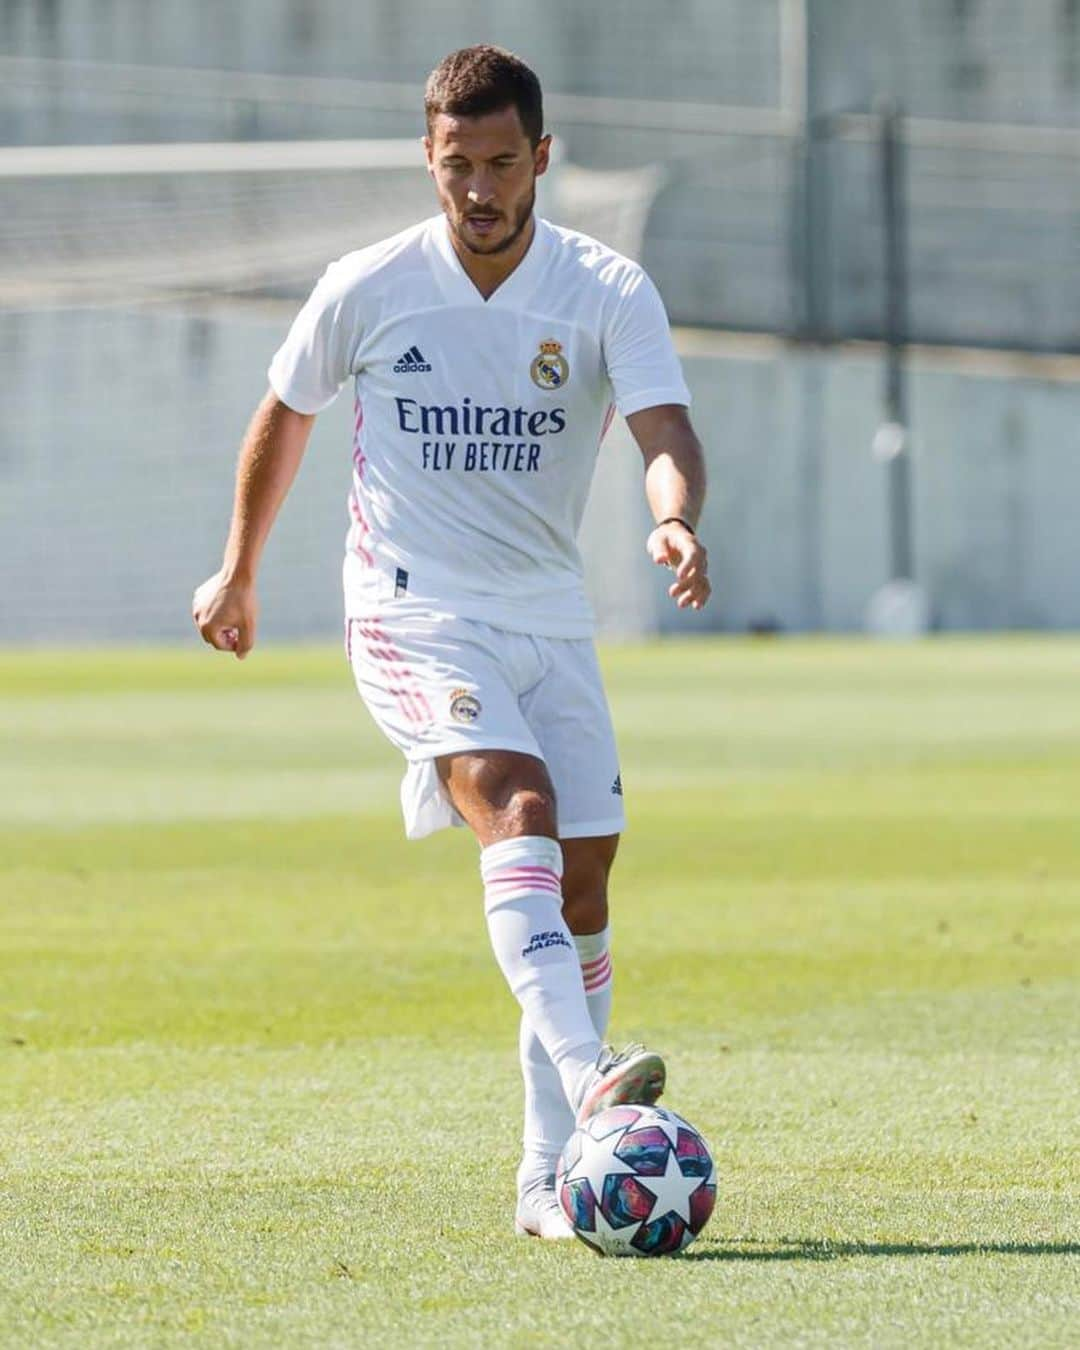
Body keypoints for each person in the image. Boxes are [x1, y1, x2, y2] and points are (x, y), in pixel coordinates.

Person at [193, 44, 710, 1241]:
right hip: (408, 604)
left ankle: (545, 1181)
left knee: (585, 875)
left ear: (542, 158)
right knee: (519, 810)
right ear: (427, 161)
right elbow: (285, 412)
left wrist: (674, 515)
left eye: (499, 164)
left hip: (548, 614)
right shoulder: (371, 286)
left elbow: (664, 425)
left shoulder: (606, 288)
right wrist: (240, 567)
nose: (478, 192)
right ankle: (593, 1089)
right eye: (455, 167)